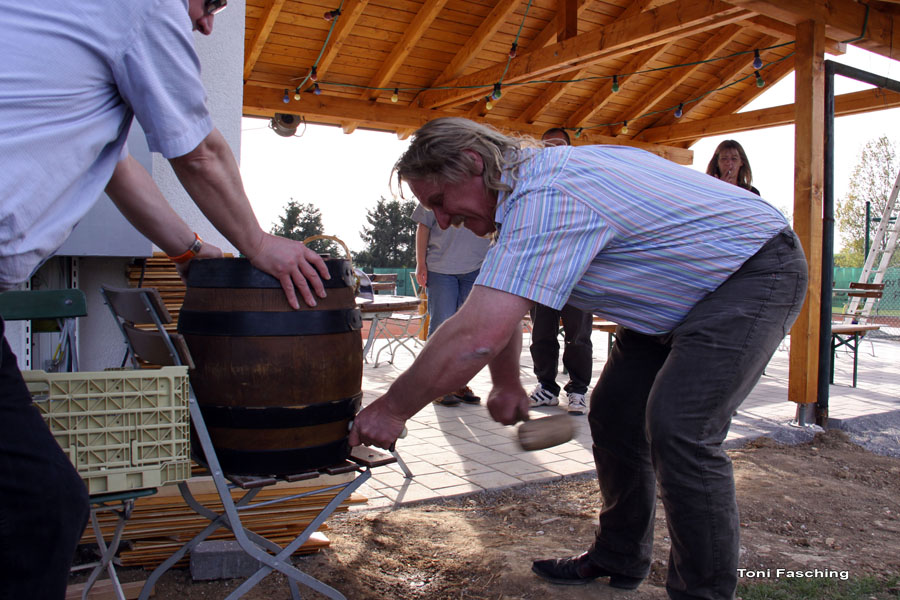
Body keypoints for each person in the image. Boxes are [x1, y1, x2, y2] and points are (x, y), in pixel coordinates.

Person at [348, 117, 808, 600]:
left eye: (440, 201)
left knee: (681, 428)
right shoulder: (524, 194)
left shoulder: (547, 195)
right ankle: (619, 556)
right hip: (677, 297)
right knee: (613, 415)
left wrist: (391, 408)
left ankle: (706, 594)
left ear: (472, 163)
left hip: (752, 269)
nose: (442, 221)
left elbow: (476, 335)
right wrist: (506, 385)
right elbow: (499, 303)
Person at [0, 1, 329, 597]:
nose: (206, 25)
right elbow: (200, 151)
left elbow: (118, 167)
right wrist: (256, 244)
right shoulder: (142, 5)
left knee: (35, 502)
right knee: (37, 506)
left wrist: (187, 251)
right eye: (209, 4)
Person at [527, 128, 593, 415]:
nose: (553, 150)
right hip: (543, 271)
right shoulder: (534, 182)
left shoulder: (583, 182)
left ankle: (578, 390)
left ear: (569, 149)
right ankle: (546, 387)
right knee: (542, 333)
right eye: (548, 146)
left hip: (577, 272)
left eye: (559, 145)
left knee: (578, 335)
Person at [412, 203, 492, 406]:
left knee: (468, 329)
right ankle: (435, 386)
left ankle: (458, 383)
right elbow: (423, 227)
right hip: (439, 268)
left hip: (476, 267)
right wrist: (421, 262)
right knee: (441, 324)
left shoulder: (487, 187)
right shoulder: (434, 187)